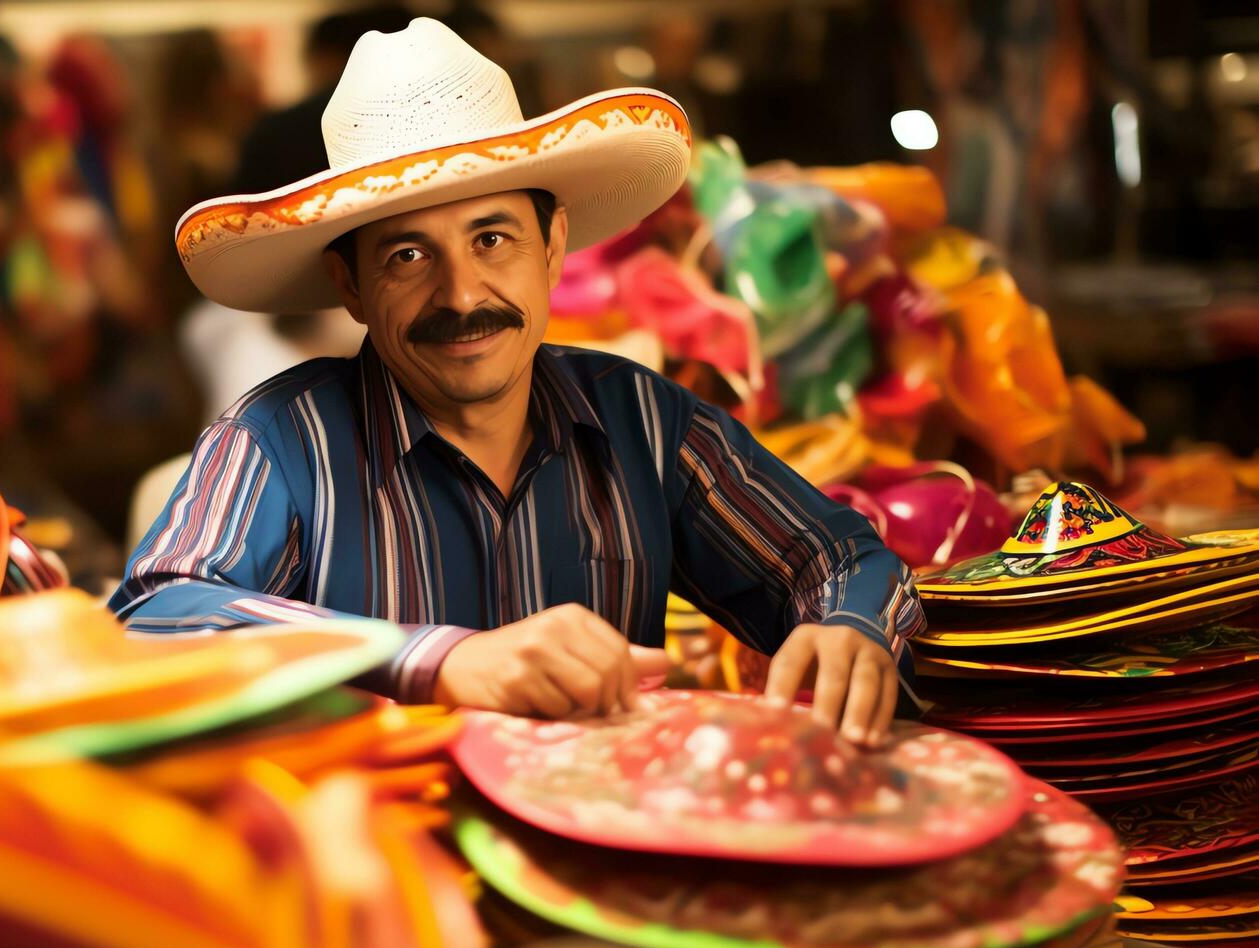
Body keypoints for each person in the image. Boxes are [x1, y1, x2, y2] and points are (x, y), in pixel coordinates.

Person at [116, 18, 923, 745]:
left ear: (552, 246)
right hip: (384, 872)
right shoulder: (280, 439)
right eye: (406, 256)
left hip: (611, 862)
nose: (462, 295)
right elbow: (151, 618)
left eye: (493, 238)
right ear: (350, 286)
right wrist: (440, 661)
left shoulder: (643, 420)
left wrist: (847, 625)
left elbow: (835, 555)